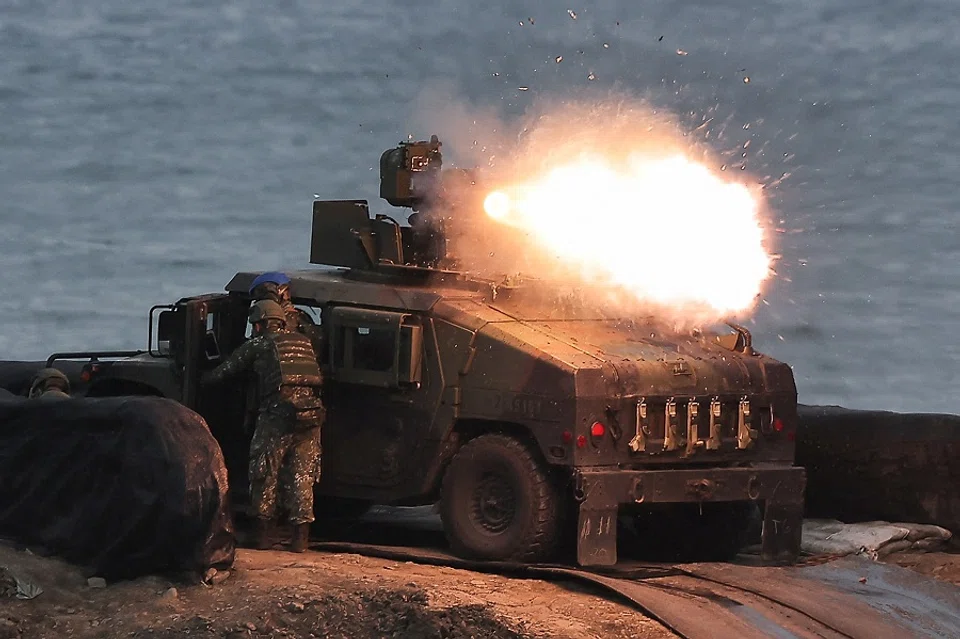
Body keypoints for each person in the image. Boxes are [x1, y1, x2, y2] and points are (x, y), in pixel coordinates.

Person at [201, 299, 325, 553]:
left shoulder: (259, 344)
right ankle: (300, 539)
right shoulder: (304, 342)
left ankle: (262, 537)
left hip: (278, 415)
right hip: (311, 415)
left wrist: (202, 378)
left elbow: (225, 372)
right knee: (302, 475)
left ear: (259, 325)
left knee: (264, 472)